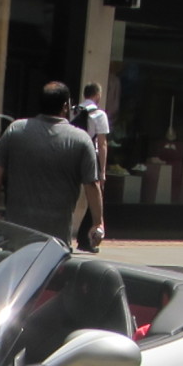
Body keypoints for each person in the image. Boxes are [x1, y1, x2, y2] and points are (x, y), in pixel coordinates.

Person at [0, 81, 103, 248]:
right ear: (65, 106)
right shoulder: (81, 139)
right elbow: (92, 184)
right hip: (56, 239)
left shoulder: (15, 130)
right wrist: (98, 223)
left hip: (16, 235)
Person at [73, 82, 111, 252]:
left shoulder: (74, 110)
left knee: (69, 194)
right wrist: (102, 170)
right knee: (94, 197)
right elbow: (102, 143)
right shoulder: (99, 114)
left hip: (72, 154)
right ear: (97, 95)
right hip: (90, 156)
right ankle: (85, 238)